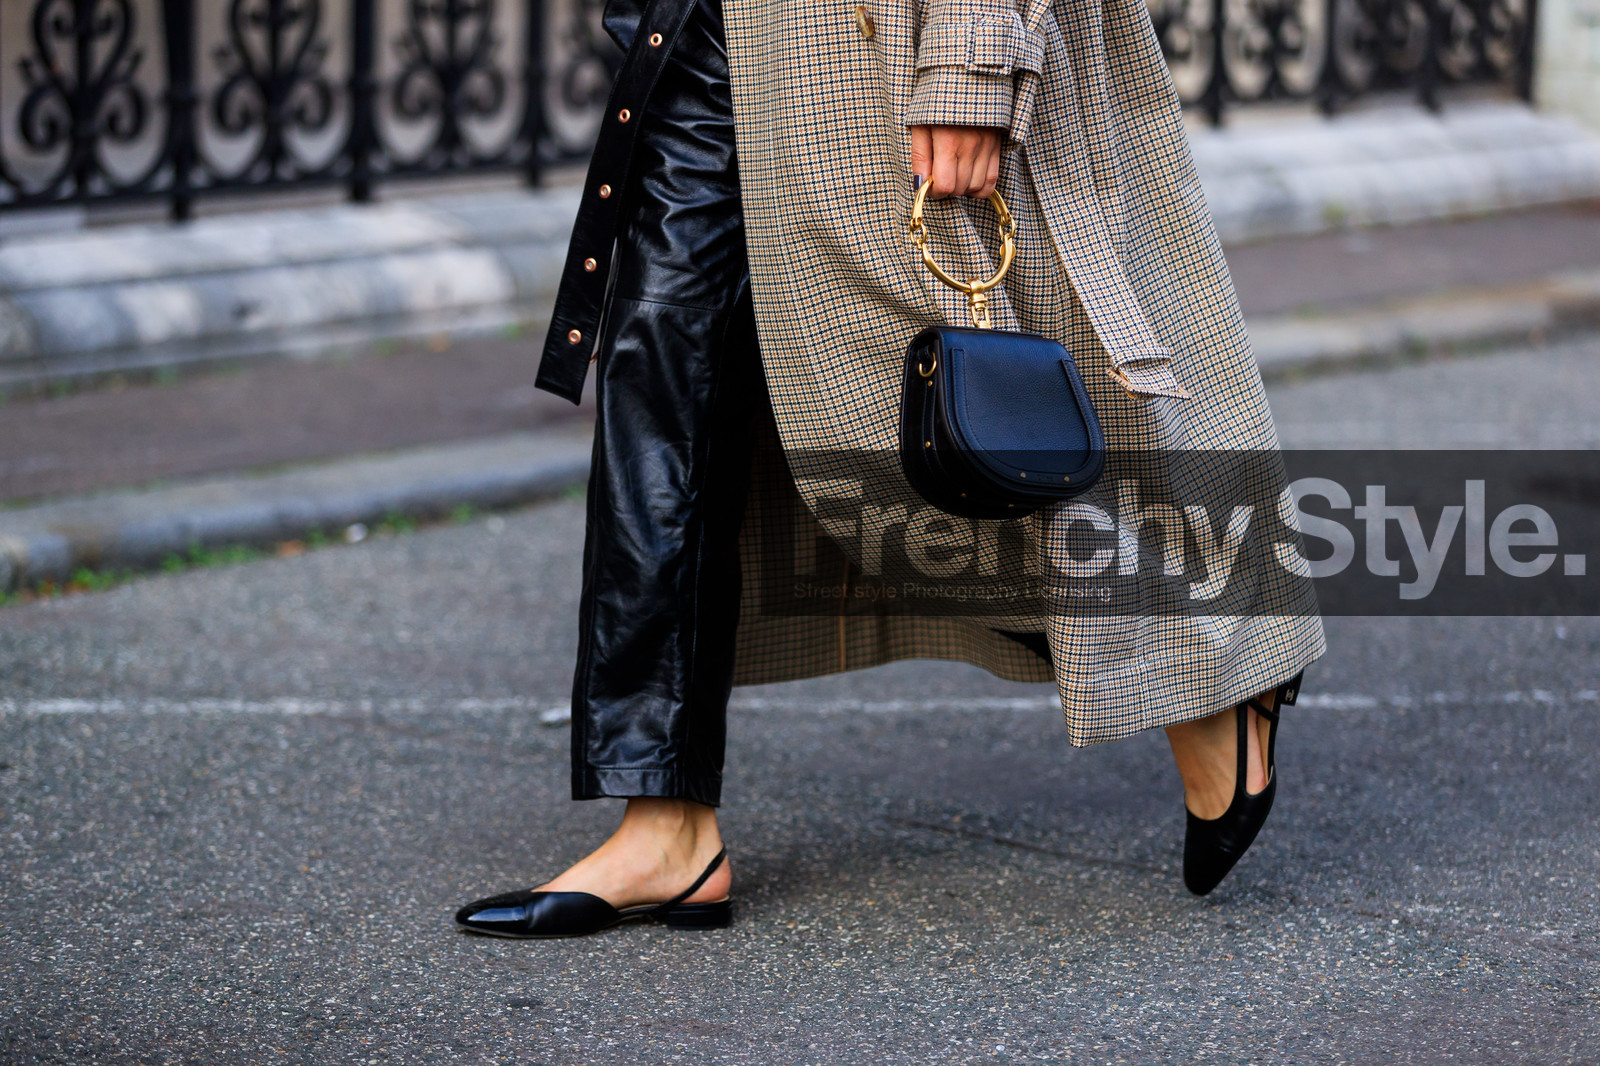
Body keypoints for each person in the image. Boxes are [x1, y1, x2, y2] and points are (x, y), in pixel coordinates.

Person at [454, 0, 1324, 938]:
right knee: (658, 369)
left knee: (956, 424)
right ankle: (665, 825)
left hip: (886, 34)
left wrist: (971, 64)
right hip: (718, 26)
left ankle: (1205, 668)